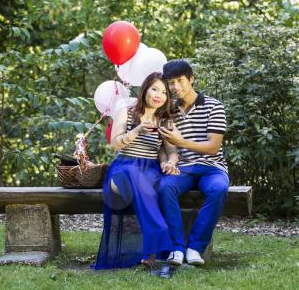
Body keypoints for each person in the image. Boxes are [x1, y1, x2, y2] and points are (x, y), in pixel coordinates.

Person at [94, 72, 179, 269]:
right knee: (134, 175)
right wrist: (137, 130)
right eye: (155, 89)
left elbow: (171, 151)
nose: (159, 95)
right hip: (124, 167)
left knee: (155, 185)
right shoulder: (127, 111)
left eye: (164, 92)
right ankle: (158, 233)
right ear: (145, 90)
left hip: (150, 169)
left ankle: (150, 248)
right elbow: (115, 145)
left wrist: (170, 163)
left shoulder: (164, 121)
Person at [158, 59, 229, 266]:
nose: (175, 87)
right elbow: (168, 146)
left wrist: (181, 141)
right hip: (183, 169)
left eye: (180, 80)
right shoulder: (168, 112)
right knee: (165, 187)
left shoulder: (214, 106)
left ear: (191, 79)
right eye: (171, 83)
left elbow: (213, 147)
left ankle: (195, 248)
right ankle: (177, 249)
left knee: (218, 189)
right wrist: (170, 160)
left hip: (212, 168)